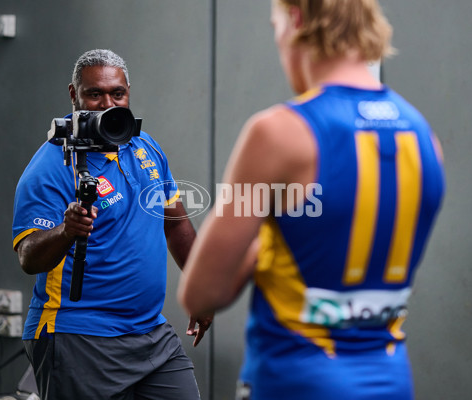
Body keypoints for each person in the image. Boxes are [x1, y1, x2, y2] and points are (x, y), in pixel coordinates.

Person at [178, 1, 445, 399]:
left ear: (297, 19)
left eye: (276, 26)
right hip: (391, 383)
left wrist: (265, 242)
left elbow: (199, 294)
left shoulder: (278, 135)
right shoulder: (426, 139)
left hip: (295, 382)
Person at [12, 49, 211, 400]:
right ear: (74, 95)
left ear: (128, 92)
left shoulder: (145, 146)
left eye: (117, 94)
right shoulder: (51, 167)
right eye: (95, 94)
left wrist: (201, 289)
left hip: (151, 334)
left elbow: (175, 223)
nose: (108, 104)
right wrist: (66, 231)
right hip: (79, 337)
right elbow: (29, 257)